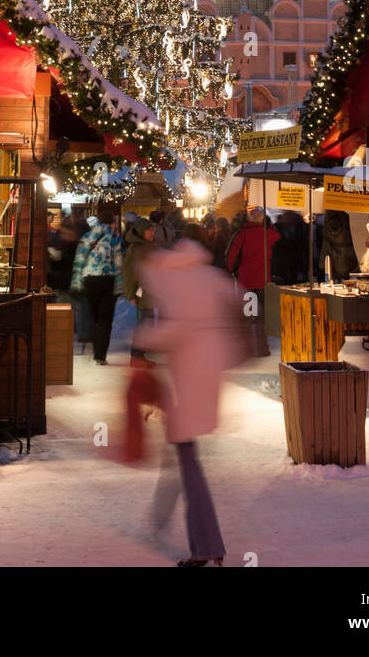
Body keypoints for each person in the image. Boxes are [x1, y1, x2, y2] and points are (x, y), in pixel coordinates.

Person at [135, 235, 240, 566]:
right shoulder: (209, 275)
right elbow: (236, 303)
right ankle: (168, 519)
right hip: (207, 376)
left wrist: (140, 339)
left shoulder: (178, 281)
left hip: (191, 382)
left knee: (187, 459)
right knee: (183, 453)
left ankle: (207, 546)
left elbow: (179, 328)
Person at [70, 202, 124, 364]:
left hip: (90, 280)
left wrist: (76, 283)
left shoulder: (86, 237)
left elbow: (78, 261)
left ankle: (94, 347)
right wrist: (120, 286)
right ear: (111, 222)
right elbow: (119, 264)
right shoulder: (115, 239)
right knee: (105, 319)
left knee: (94, 316)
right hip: (108, 280)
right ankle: (100, 356)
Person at [227, 207, 280, 356]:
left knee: (249, 316)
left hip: (246, 282)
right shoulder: (272, 235)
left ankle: (248, 349)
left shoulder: (241, 235)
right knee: (263, 318)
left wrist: (233, 271)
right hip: (266, 282)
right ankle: (262, 348)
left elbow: (231, 258)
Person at [123, 217, 157, 362]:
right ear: (143, 232)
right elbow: (130, 272)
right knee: (144, 322)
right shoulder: (136, 248)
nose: (153, 233)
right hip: (142, 291)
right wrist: (131, 294)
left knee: (148, 321)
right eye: (150, 230)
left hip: (150, 291)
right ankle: (137, 355)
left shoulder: (147, 246)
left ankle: (140, 354)